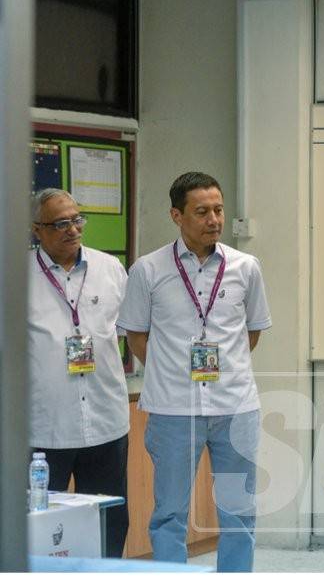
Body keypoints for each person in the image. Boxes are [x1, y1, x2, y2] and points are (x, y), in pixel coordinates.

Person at [118, 172, 271, 572]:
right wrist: (172, 373)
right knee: (169, 511)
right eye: (202, 211)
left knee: (239, 511)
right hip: (172, 410)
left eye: (218, 210)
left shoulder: (246, 267)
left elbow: (251, 332)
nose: (214, 220)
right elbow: (136, 335)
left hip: (235, 406)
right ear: (176, 215)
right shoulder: (147, 270)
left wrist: (223, 372)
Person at [29, 188, 130, 557]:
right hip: (44, 429)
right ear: (37, 229)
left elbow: (126, 333)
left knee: (110, 524)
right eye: (60, 223)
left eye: (77, 219)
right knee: (42, 529)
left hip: (106, 421)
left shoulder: (111, 269)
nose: (73, 229)